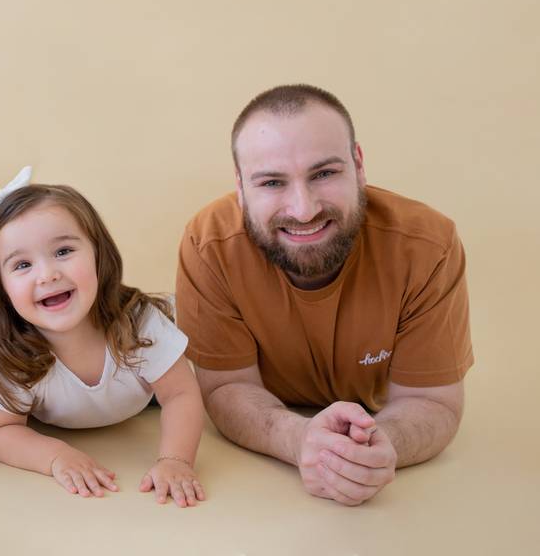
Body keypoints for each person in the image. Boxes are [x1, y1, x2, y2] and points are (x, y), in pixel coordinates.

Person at [176, 84, 473, 506]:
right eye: (272, 182)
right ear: (241, 187)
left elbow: (432, 401)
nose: (304, 209)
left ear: (358, 165)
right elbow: (225, 387)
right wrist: (298, 439)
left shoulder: (427, 246)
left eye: (324, 173)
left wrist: (374, 448)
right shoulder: (208, 244)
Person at [0, 174, 206, 507]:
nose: (47, 274)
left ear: (98, 254)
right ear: (0, 288)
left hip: (146, 392)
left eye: (63, 251)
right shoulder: (11, 352)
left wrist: (175, 460)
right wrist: (56, 456)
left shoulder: (137, 323)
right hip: (94, 398)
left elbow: (180, 393)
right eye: (22, 264)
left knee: (191, 345)